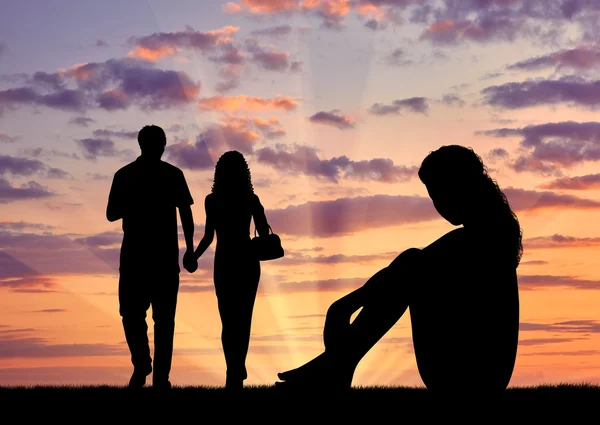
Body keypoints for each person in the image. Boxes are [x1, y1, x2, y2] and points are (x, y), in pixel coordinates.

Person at [276, 145, 522, 394]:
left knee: (413, 263)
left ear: (459, 186)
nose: (438, 204)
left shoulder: (481, 239)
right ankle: (338, 363)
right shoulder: (486, 233)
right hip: (477, 371)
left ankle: (336, 363)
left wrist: (345, 306)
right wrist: (347, 304)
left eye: (438, 193)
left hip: (472, 373)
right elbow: (403, 271)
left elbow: (409, 268)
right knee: (413, 262)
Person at [106, 125, 196, 389]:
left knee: (147, 316)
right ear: (162, 145)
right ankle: (146, 366)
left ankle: (156, 375)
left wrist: (190, 249)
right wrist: (189, 249)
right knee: (147, 317)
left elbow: (185, 214)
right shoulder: (137, 175)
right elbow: (112, 213)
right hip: (150, 257)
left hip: (148, 257)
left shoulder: (129, 174)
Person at [189, 150, 270, 391]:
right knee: (243, 319)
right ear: (245, 172)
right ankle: (238, 367)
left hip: (224, 260)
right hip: (246, 259)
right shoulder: (251, 199)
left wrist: (194, 255)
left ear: (219, 173)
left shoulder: (212, 200)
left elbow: (208, 237)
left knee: (228, 320)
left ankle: (232, 369)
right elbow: (264, 232)